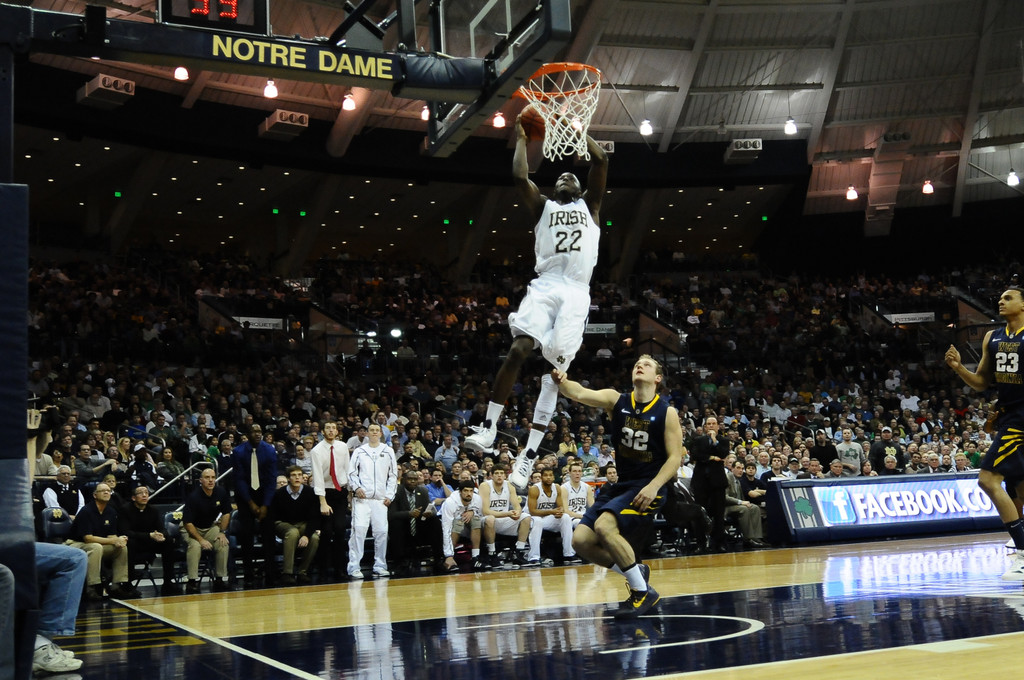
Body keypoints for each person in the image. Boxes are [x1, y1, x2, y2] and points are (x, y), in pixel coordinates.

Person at [461, 116, 609, 493]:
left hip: (577, 291)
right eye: (558, 177)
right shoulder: (542, 206)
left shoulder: (591, 206)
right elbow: (518, 178)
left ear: (578, 188)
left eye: (570, 178)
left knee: (555, 374)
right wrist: (522, 139)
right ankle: (490, 427)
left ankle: (527, 457)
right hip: (545, 285)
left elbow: (601, 162)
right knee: (518, 348)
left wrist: (580, 133)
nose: (564, 179)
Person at [552, 354, 683, 619]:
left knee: (603, 527)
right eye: (637, 362)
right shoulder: (617, 400)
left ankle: (642, 591)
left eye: (647, 364)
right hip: (622, 484)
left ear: (657, 378)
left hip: (649, 486)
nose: (640, 364)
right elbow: (579, 392)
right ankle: (634, 572)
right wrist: (562, 381)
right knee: (581, 541)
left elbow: (675, 458)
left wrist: (655, 486)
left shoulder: (667, 412)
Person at [946, 288, 1024, 580]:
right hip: (1008, 417)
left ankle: (1023, 554)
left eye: (1008, 298)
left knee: (987, 479)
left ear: (1023, 305)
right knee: (1018, 488)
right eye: (999, 298)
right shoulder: (993, 337)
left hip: (1021, 419)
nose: (1001, 301)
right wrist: (957, 368)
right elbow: (980, 382)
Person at [66, 481, 140, 600]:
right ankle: (92, 587)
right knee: (96, 547)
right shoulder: (86, 511)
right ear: (95, 495)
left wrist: (119, 539)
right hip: (75, 544)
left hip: (97, 545)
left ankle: (117, 586)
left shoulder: (110, 511)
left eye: (108, 490)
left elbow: (111, 535)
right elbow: (88, 538)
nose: (106, 492)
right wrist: (113, 541)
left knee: (121, 548)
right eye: (103, 490)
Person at [347, 423, 398, 579]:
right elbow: (351, 473)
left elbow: (393, 475)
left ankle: (380, 565)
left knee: (382, 532)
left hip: (381, 500)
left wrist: (389, 495)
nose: (375, 433)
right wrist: (356, 488)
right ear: (367, 433)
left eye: (377, 430)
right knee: (359, 531)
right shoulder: (359, 451)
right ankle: (354, 566)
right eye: (372, 430)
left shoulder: (388, 451)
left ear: (381, 433)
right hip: (362, 500)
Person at [232, 424, 278, 587]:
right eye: (254, 432)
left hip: (266, 494)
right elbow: (239, 479)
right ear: (248, 434)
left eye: (260, 431)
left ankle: (271, 573)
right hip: (246, 496)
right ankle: (248, 574)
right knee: (246, 536)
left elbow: (272, 479)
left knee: (269, 536)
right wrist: (251, 503)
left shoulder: (270, 450)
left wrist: (265, 505)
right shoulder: (238, 452)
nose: (258, 434)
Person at [120, 484, 180, 596]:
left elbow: (162, 528)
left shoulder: (153, 510)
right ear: (133, 498)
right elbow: (126, 532)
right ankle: (127, 584)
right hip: (135, 542)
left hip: (150, 541)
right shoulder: (125, 510)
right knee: (129, 543)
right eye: (141, 493)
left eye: (146, 493)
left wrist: (162, 535)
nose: (144, 495)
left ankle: (168, 582)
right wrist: (149, 535)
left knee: (168, 542)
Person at [309, 421, 350, 581]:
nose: (331, 430)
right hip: (324, 493)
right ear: (322, 431)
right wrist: (322, 502)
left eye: (333, 428)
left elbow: (347, 469)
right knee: (326, 532)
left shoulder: (343, 446)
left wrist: (350, 493)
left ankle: (340, 568)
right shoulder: (316, 451)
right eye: (328, 428)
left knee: (340, 529)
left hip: (340, 491)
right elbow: (318, 478)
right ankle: (323, 570)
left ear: (337, 431)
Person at [181, 467, 232, 593]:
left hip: (209, 526)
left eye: (213, 477)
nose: (211, 480)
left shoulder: (221, 492)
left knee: (222, 543)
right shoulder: (193, 497)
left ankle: (220, 579)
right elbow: (188, 523)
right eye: (207, 477)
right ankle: (192, 581)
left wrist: (222, 532)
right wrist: (201, 540)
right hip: (191, 528)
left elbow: (226, 513)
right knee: (195, 546)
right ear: (201, 480)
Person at [269, 465, 321, 585]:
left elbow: (314, 517)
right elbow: (273, 516)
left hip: (302, 524)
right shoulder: (279, 494)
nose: (297, 478)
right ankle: (287, 573)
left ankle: (302, 572)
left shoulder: (310, 492)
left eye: (299, 475)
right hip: (282, 523)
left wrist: (306, 535)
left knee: (314, 538)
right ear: (288, 478)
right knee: (292, 532)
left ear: (303, 478)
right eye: (293, 475)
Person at [689, 416, 731, 552]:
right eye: (709, 424)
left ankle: (719, 543)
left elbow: (723, 454)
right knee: (700, 514)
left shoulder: (724, 440)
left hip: (717, 483)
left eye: (714, 424)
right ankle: (701, 543)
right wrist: (711, 457)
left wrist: (714, 441)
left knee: (719, 515)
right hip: (701, 483)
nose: (711, 426)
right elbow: (695, 455)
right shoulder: (698, 439)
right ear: (705, 427)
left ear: (718, 426)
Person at [387, 470, 443, 574]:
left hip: (419, 526)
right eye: (410, 479)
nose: (412, 481)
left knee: (435, 521)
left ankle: (438, 558)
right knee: (396, 524)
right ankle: (399, 562)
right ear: (404, 480)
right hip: (404, 528)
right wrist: (409, 514)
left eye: (415, 479)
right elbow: (391, 515)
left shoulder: (422, 491)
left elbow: (432, 509)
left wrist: (429, 513)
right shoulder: (396, 492)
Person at [479, 463, 530, 568]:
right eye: (496, 473)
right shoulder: (485, 486)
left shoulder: (509, 485)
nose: (499, 476)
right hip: (486, 521)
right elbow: (485, 511)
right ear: (491, 476)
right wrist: (507, 513)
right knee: (490, 519)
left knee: (526, 517)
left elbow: (517, 506)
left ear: (505, 476)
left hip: (503, 519)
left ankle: (518, 553)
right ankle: (492, 554)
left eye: (502, 473)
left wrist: (517, 513)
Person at [524, 467, 576, 566]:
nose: (548, 477)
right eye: (546, 475)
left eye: (550, 475)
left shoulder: (557, 487)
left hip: (546, 518)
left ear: (553, 477)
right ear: (542, 477)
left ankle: (569, 554)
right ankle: (533, 557)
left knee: (565, 517)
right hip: (530, 518)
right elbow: (532, 511)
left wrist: (559, 512)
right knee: (538, 521)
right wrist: (552, 511)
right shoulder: (534, 489)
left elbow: (561, 507)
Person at [440, 480, 484, 572]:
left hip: (467, 527)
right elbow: (446, 528)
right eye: (466, 491)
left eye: (471, 491)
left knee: (476, 520)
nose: (469, 494)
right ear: (460, 492)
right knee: (458, 522)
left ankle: (476, 557)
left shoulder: (477, 499)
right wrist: (448, 555)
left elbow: (481, 515)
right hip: (446, 524)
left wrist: (472, 511)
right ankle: (450, 558)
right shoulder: (450, 503)